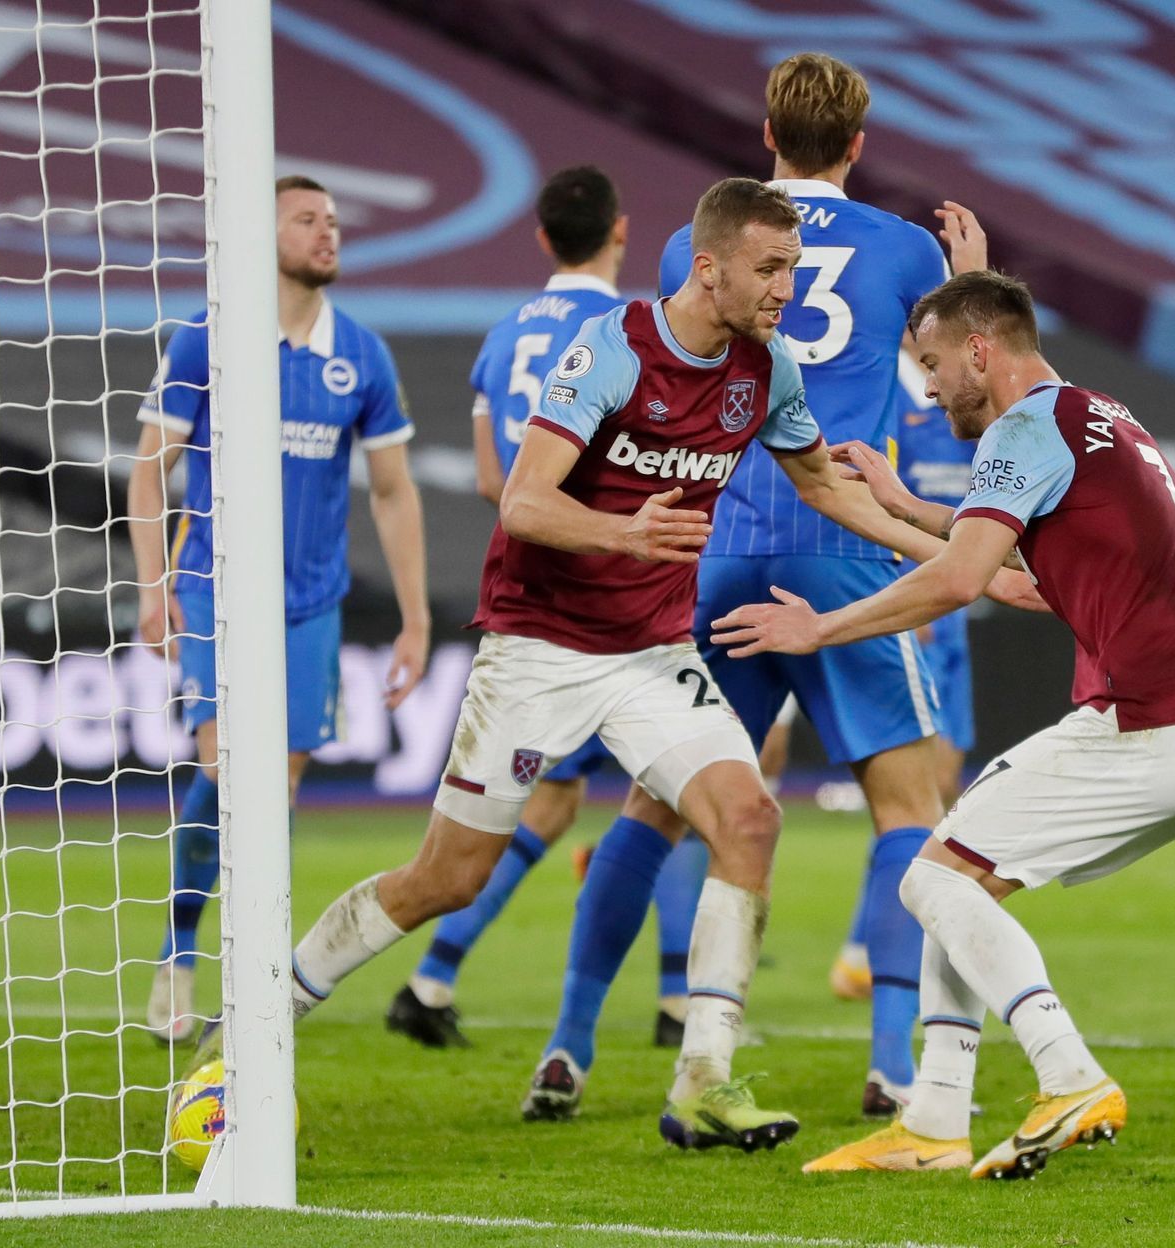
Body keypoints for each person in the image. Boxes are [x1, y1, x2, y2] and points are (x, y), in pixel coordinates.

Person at [267, 178, 1026, 1156]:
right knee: (446, 878)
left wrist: (966, 567)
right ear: (706, 270)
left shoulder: (765, 369)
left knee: (746, 816)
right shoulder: (612, 349)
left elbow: (832, 493)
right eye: (769, 269)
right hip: (538, 646)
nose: (786, 288)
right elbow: (525, 504)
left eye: (791, 268)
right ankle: (263, 1017)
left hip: (649, 651)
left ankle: (704, 1080)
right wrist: (622, 532)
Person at [522, 51, 990, 1123]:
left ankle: (568, 1043)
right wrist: (970, 276)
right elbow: (955, 372)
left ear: (763, 136)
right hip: (842, 538)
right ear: (859, 145)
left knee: (655, 802)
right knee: (907, 807)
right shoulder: (905, 246)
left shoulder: (705, 244)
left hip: (720, 540)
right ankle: (890, 1061)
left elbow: (670, 365)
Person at [715, 270, 1175, 1179]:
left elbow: (961, 581)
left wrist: (821, 628)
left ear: (980, 351)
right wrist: (901, 503)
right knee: (954, 875)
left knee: (929, 881)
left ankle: (1068, 1071)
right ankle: (932, 1121)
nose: (926, 388)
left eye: (932, 364)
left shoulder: (1022, 428)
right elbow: (1013, 574)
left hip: (1156, 720)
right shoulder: (1093, 414)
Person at [383, 166, 705, 1054]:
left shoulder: (503, 337)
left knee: (545, 807)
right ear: (620, 233)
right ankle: (679, 1001)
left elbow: (498, 483)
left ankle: (434, 973)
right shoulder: (637, 335)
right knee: (677, 789)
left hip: (533, 597)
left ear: (539, 239)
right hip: (627, 597)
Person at [132, 175, 429, 1044]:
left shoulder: (361, 355)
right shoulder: (208, 336)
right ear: (259, 236)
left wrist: (414, 618)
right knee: (230, 779)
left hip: (310, 605)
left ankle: (251, 969)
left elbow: (393, 491)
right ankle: (181, 952)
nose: (327, 232)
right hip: (214, 589)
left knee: (281, 791)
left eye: (334, 220)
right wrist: (153, 585)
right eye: (306, 219)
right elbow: (150, 465)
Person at [829, 353, 976, 1001]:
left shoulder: (974, 385)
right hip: (917, 585)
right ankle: (868, 952)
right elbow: (864, 491)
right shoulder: (881, 382)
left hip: (959, 594)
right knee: (914, 788)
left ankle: (873, 945)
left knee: (942, 779)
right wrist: (902, 585)